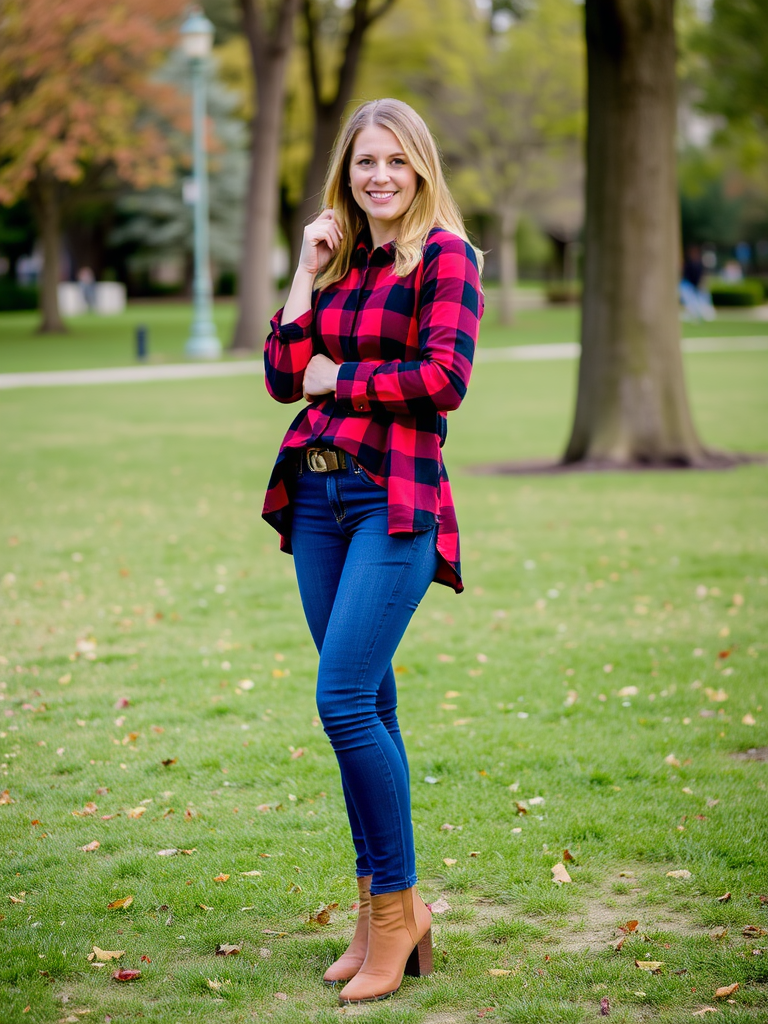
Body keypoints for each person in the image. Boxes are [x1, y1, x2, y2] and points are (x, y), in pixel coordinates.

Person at [262, 98, 483, 1005]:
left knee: (343, 700)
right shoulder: (343, 261)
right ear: (345, 175)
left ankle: (398, 914)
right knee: (370, 702)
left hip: (395, 501)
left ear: (420, 168)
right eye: (364, 163)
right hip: (317, 499)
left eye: (395, 161)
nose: (379, 176)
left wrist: (339, 379)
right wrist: (304, 273)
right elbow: (283, 377)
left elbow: (445, 379)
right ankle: (376, 911)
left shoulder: (447, 258)